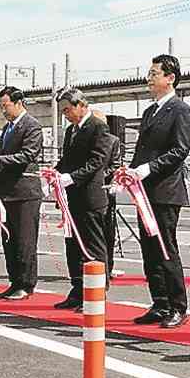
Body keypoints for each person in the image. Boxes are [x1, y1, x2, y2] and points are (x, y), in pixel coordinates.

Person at [128, 54, 190, 329]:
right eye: (149, 72)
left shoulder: (180, 110)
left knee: (165, 248)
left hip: (165, 190)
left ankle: (178, 306)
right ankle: (160, 302)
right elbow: (142, 150)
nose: (149, 78)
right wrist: (129, 172)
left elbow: (180, 150)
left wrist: (149, 168)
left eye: (154, 73)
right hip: (144, 190)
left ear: (170, 77)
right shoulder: (150, 111)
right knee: (149, 250)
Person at [52, 89, 111, 311]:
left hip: (90, 196)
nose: (65, 114)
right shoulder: (71, 131)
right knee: (73, 247)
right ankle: (77, 289)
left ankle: (96, 293)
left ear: (81, 105)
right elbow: (67, 159)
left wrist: (72, 177)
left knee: (93, 247)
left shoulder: (98, 127)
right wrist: (55, 172)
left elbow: (97, 161)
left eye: (67, 109)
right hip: (72, 197)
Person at [0, 87, 43, 301]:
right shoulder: (7, 128)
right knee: (9, 239)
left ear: (19, 103)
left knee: (25, 240)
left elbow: (27, 155)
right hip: (6, 192)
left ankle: (26, 284)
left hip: (25, 192)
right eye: (1, 107)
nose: (3, 111)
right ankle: (14, 280)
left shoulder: (32, 126)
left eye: (5, 106)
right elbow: (4, 159)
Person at [91, 109, 122, 279]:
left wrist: (97, 177)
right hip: (87, 191)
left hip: (105, 190)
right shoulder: (86, 140)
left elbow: (115, 165)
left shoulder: (113, 141)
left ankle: (107, 267)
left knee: (107, 232)